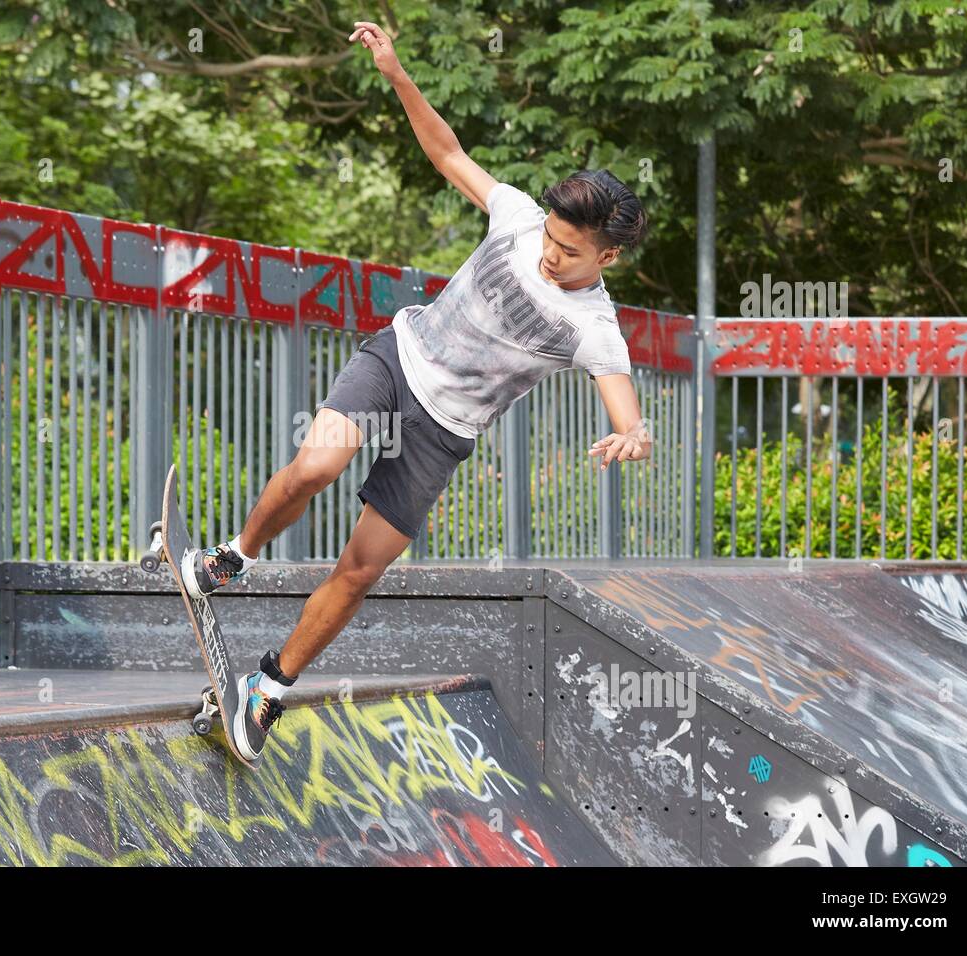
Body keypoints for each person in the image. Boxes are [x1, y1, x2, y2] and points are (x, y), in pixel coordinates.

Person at [181, 20, 653, 761]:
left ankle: (270, 689)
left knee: (362, 567)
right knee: (315, 468)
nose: (551, 257)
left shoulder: (594, 325)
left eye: (569, 252)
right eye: (551, 242)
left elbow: (622, 399)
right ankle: (232, 558)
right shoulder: (520, 218)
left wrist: (635, 432)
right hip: (399, 359)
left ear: (610, 255)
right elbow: (447, 151)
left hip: (442, 433)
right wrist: (397, 72)